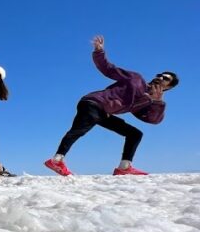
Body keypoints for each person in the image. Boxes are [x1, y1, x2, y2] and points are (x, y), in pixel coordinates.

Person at [45, 36, 177, 176]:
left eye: (166, 78)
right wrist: (99, 52)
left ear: (168, 87)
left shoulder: (149, 101)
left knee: (135, 134)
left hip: (104, 112)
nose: (161, 77)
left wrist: (157, 102)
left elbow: (152, 120)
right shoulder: (136, 78)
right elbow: (108, 69)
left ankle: (124, 167)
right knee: (79, 129)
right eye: (160, 74)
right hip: (94, 103)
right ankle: (57, 160)